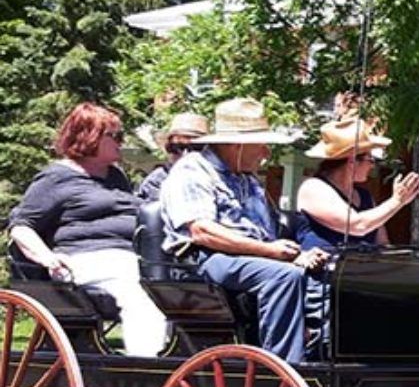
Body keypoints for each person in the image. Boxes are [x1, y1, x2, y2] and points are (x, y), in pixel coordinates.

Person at [160, 97, 328, 364]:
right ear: (237, 145)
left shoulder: (248, 180)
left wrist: (298, 255)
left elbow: (268, 235)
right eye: (261, 145)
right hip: (206, 259)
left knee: (329, 275)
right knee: (284, 276)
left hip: (252, 257)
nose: (266, 153)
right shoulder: (192, 171)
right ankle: (284, 368)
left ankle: (322, 354)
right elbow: (202, 231)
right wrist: (271, 252)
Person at [7, 103, 169, 356]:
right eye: (115, 135)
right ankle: (147, 365)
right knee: (138, 290)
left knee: (180, 288)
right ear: (89, 137)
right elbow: (21, 227)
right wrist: (49, 259)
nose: (122, 141)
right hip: (84, 259)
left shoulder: (115, 177)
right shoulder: (56, 178)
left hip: (132, 256)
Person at [295, 114, 419, 251]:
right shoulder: (313, 188)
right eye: (370, 159)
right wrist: (397, 201)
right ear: (352, 161)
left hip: (365, 264)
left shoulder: (365, 196)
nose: (372, 166)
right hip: (325, 263)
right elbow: (357, 226)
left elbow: (382, 244)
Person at [136, 112, 209, 201]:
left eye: (195, 148)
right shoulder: (156, 182)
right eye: (177, 147)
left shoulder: (216, 177)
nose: (185, 154)